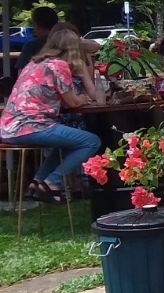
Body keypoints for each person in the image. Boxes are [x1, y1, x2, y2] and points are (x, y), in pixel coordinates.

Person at [0, 28, 103, 204]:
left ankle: (38, 183)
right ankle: (52, 182)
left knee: (67, 144)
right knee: (91, 141)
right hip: (31, 126)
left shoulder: (35, 63)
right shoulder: (59, 66)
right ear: (73, 49)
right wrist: (83, 97)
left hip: (9, 126)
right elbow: (72, 102)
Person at [16, 6, 61, 71]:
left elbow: (22, 73)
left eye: (34, 25)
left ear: (37, 24)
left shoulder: (31, 46)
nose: (34, 30)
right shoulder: (66, 43)